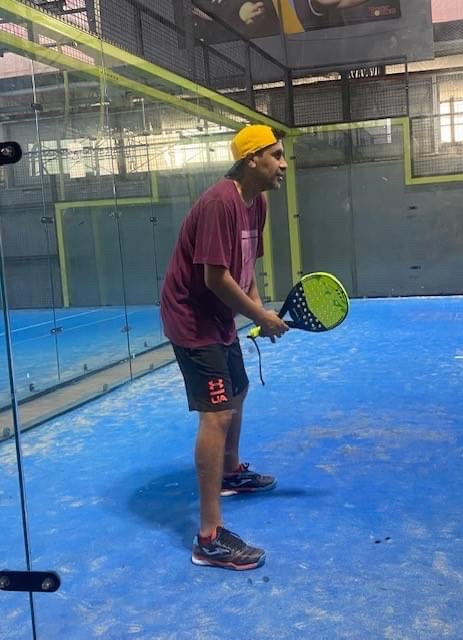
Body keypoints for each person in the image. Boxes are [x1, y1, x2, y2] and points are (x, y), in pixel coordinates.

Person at [160, 124, 289, 571]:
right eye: (276, 155)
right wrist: (260, 317)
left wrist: (257, 310)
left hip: (219, 315)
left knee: (238, 390)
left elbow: (244, 269)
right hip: (192, 318)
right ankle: (209, 538)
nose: (283, 165)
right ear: (252, 159)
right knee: (215, 414)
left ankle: (231, 473)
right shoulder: (220, 202)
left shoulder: (258, 203)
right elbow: (215, 278)